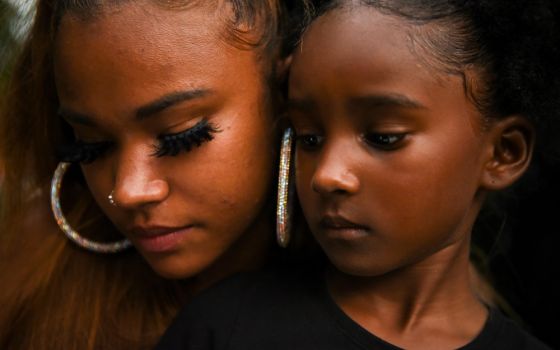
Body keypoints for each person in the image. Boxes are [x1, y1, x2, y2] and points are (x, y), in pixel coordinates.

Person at [156, 0, 559, 349]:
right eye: (309, 139)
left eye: (383, 137)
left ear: (503, 153)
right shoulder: (223, 329)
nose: (326, 176)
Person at [0, 0, 292, 349]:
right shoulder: (29, 272)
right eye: (91, 146)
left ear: (286, 93)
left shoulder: (362, 302)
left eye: (180, 136)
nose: (127, 191)